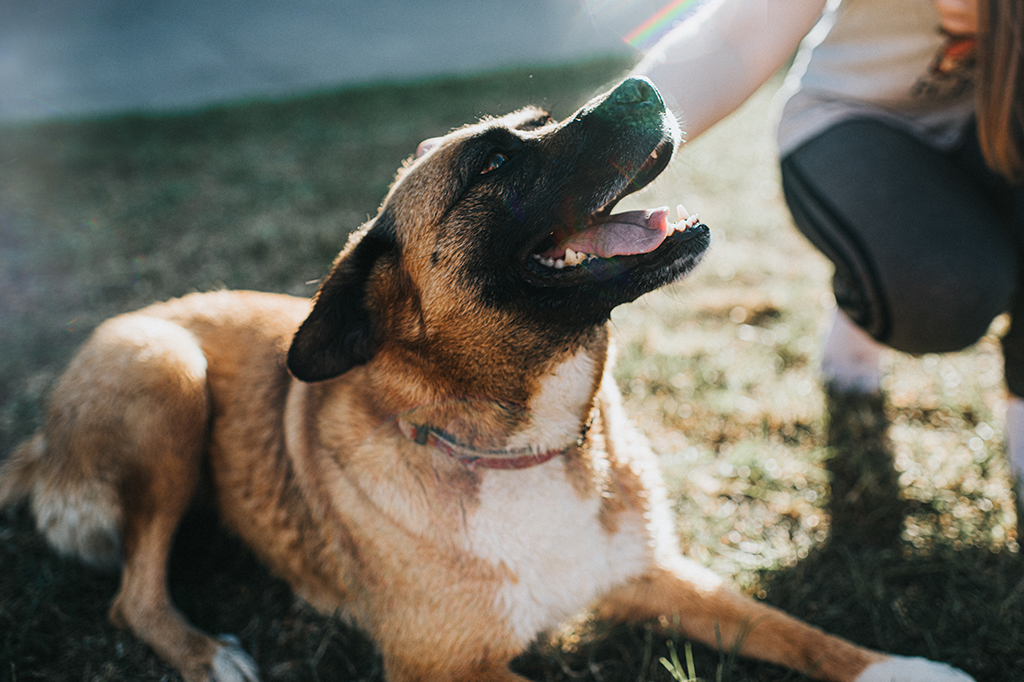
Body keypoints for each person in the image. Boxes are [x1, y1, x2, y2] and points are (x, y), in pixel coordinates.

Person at [633, 0, 1024, 476]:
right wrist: (609, 154)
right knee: (946, 291)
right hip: (850, 121)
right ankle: (867, 291)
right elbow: (734, 40)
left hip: (985, 141)